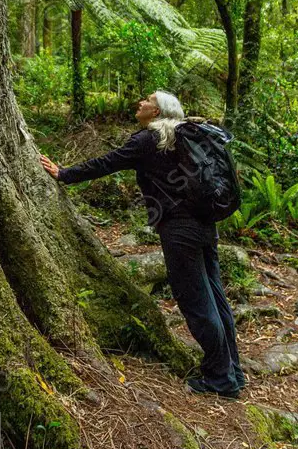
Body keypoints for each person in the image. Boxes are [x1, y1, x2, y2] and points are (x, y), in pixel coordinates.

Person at [39, 90, 245, 399]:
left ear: (158, 110)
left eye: (147, 100)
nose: (140, 103)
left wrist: (65, 174)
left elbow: (107, 163)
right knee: (215, 296)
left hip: (178, 229)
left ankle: (220, 379)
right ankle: (233, 371)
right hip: (206, 224)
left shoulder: (148, 140)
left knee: (197, 302)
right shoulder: (186, 135)